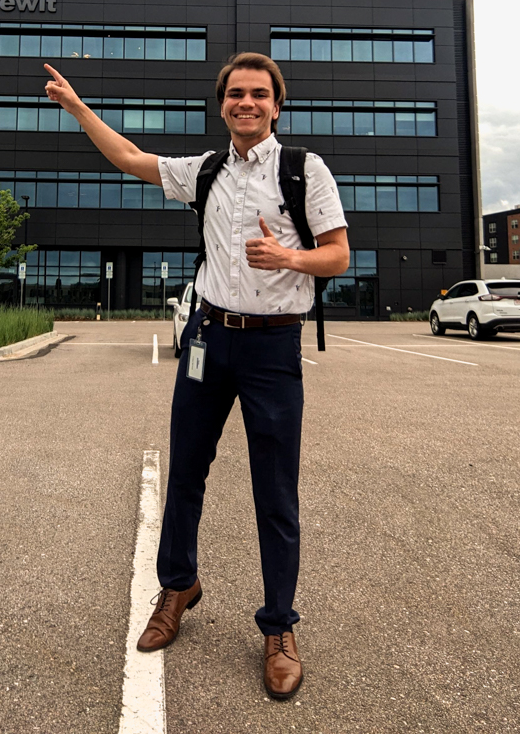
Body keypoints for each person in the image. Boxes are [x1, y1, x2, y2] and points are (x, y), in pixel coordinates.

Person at [43, 52, 349, 699]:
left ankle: (278, 626)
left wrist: (285, 256)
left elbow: (339, 255)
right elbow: (129, 158)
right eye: (236, 94)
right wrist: (77, 109)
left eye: (259, 94)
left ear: (276, 104)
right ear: (222, 105)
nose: (247, 103)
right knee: (186, 473)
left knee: (276, 492)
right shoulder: (205, 171)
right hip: (209, 338)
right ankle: (179, 584)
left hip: (273, 350)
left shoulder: (303, 171)